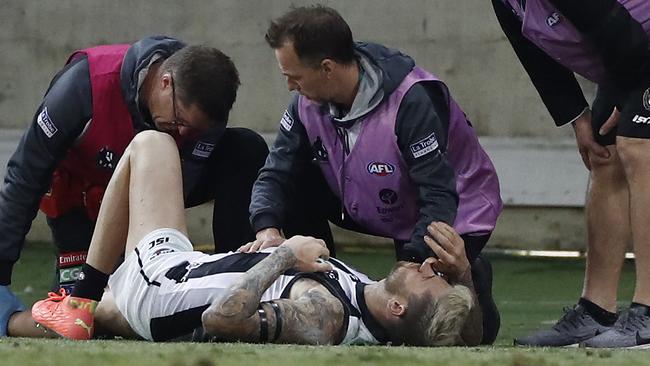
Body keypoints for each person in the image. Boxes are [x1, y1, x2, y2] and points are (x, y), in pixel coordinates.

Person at [21, 131, 481, 346]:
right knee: (75, 324)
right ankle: (40, 316)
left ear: (399, 308)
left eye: (430, 280)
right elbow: (471, 334)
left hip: (163, 280)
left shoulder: (327, 316)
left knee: (152, 145)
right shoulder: (369, 301)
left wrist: (281, 256)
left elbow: (223, 320)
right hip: (178, 288)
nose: (426, 265)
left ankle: (81, 293)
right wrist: (461, 275)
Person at [243, 5, 502, 344]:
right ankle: (319, 279)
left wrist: (409, 268)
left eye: (294, 76)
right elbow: (275, 172)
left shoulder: (412, 100)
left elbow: (439, 194)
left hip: (453, 211)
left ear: (327, 69)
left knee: (434, 330)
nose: (290, 85)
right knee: (292, 186)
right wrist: (268, 229)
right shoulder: (306, 102)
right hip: (371, 197)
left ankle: (471, 272)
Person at [0, 35, 269, 337]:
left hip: (156, 198)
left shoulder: (206, 100)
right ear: (165, 82)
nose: (182, 132)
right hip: (82, 202)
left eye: (192, 129)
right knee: (83, 320)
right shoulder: (85, 85)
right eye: (179, 119)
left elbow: (184, 182)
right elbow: (25, 175)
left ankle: (229, 288)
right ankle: (17, 319)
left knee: (246, 148)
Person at [492, 0, 650, 347]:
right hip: (627, 48)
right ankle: (597, 311)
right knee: (604, 153)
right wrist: (577, 117)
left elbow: (620, 35)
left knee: (639, 146)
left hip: (637, 42)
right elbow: (532, 50)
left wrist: (626, 102)